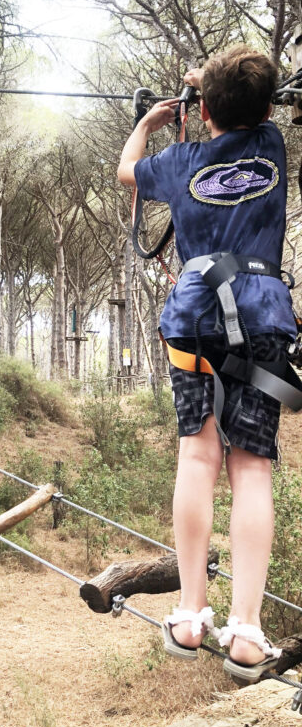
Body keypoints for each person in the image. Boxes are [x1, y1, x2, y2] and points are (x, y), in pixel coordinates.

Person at [117, 45, 297, 683]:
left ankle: (190, 616)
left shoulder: (181, 159)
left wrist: (151, 121)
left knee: (197, 455)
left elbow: (126, 172)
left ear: (206, 108)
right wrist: (210, 86)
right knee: (251, 469)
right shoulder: (272, 144)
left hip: (194, 318)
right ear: (266, 107)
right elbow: (246, 101)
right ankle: (246, 630)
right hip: (263, 316)